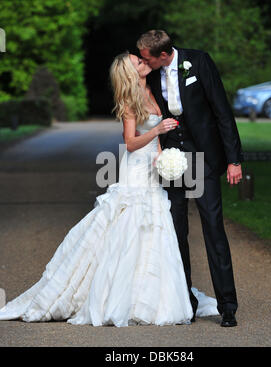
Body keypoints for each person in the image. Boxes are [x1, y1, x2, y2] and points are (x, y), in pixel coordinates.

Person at [0, 51, 219, 327]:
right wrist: (156, 132)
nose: (143, 61)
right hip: (136, 169)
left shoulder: (152, 91)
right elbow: (129, 142)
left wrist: (162, 156)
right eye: (138, 61)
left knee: (157, 226)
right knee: (128, 224)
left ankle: (151, 294)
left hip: (152, 167)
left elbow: (156, 139)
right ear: (129, 72)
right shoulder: (129, 100)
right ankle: (116, 294)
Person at [137, 30, 244, 327]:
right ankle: (186, 300)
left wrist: (234, 159)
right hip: (172, 160)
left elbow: (222, 111)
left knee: (213, 227)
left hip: (203, 158)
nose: (143, 63)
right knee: (177, 230)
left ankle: (228, 305)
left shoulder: (198, 62)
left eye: (147, 58)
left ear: (162, 55)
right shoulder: (150, 74)